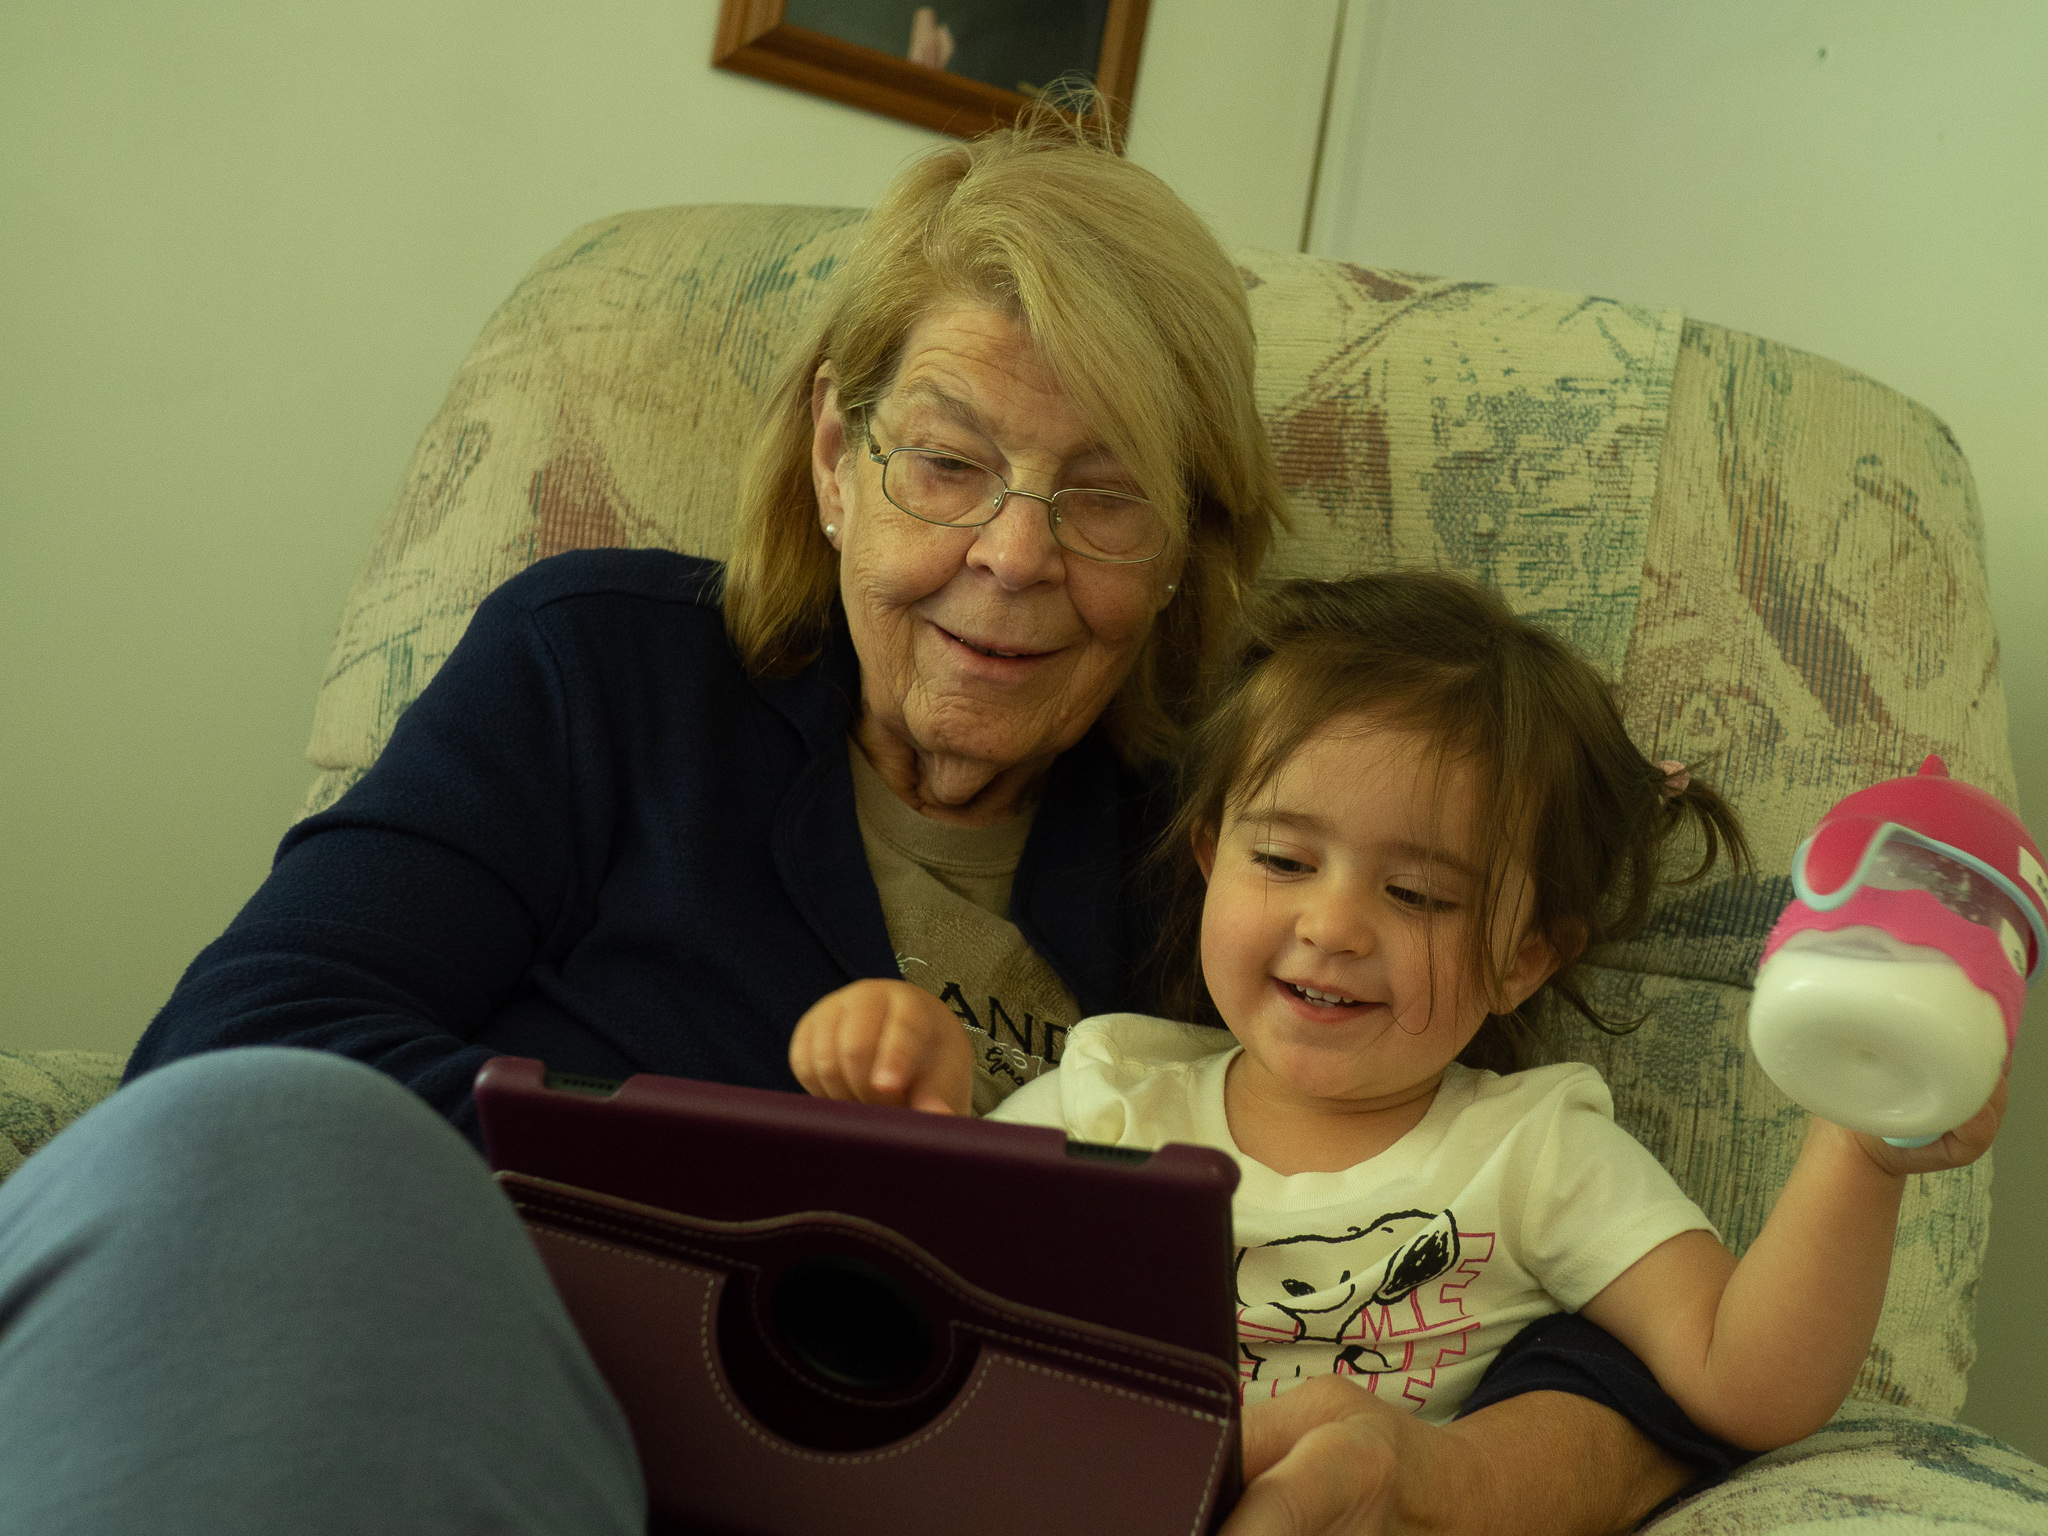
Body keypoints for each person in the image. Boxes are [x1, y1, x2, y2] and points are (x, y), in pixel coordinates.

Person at [3, 108, 1733, 1534]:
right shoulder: (599, 671)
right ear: (835, 460)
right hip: (486, 1410)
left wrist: (1449, 1480)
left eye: (1103, 496)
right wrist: (764, 1202)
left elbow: (1579, 1283)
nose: (1012, 554)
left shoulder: (1244, 855)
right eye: (948, 462)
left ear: (1185, 551)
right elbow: (237, 1064)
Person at [790, 573, 2010, 1513]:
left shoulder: (1532, 1152)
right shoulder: (1111, 1095)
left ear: (1523, 955)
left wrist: (1858, 1148)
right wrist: (909, 1111)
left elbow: (1746, 1385)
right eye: (1282, 860)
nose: (1332, 927)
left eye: (1416, 894)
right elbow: (921, 1307)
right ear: (1209, 857)